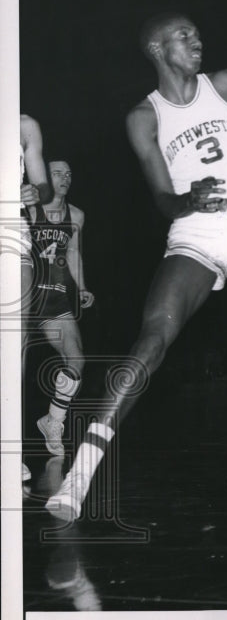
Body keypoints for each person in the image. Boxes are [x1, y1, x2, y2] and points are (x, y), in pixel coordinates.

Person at [46, 12, 227, 522]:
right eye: (183, 36)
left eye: (196, 33)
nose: (197, 40)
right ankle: (78, 478)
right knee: (149, 343)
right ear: (156, 49)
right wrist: (187, 200)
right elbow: (163, 199)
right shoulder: (143, 117)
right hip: (194, 228)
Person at [29, 160, 95, 458]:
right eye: (57, 173)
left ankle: (54, 420)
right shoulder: (30, 209)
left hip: (54, 300)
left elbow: (74, 252)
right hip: (22, 296)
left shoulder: (77, 215)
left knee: (77, 358)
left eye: (69, 173)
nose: (65, 178)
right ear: (45, 176)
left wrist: (82, 287)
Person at [18, 114, 52, 482]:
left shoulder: (25, 124)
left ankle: (10, 450)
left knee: (16, 345)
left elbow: (45, 188)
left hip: (12, 232)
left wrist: (33, 192)